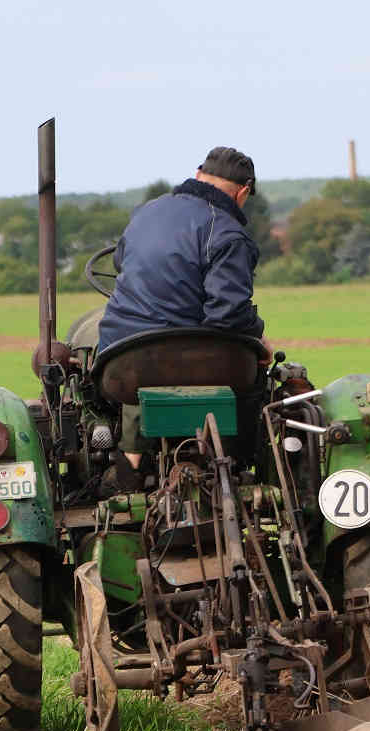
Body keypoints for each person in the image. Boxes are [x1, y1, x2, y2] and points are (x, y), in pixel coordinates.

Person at [98, 146, 263, 489]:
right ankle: (232, 462)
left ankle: (127, 465)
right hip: (189, 356)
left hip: (121, 355)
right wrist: (259, 337)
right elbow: (228, 314)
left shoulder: (147, 212)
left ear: (199, 174)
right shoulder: (227, 231)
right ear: (243, 191)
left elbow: (120, 263)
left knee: (123, 385)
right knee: (255, 375)